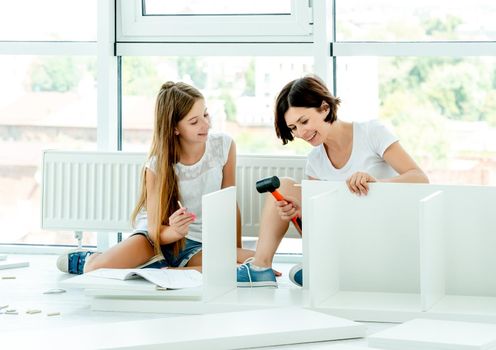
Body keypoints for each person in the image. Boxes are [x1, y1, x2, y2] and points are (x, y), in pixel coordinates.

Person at [237, 75, 429, 288]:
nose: (301, 133)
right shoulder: (315, 161)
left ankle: (337, 271)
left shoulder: (371, 133)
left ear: (325, 108)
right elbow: (316, 231)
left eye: (304, 121)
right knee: (284, 186)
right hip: (346, 238)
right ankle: (260, 268)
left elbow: (420, 179)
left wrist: (376, 184)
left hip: (384, 235)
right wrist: (301, 212)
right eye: (293, 128)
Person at [57, 81, 255, 275]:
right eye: (194, 121)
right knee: (94, 270)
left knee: (251, 261)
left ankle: (163, 269)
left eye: (205, 114)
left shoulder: (224, 146)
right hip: (156, 238)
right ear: (175, 128)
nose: (206, 124)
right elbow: (154, 231)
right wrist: (176, 231)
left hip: (199, 242)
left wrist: (233, 251)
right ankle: (89, 258)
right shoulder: (156, 165)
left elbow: (230, 205)